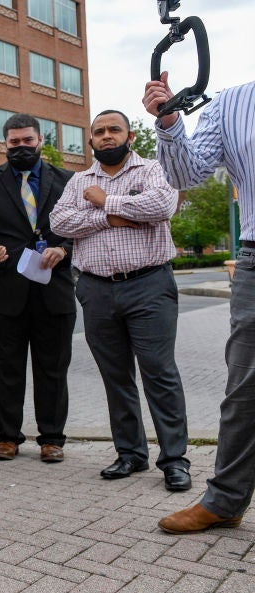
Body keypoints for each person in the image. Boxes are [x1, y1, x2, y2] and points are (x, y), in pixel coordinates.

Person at [50, 109, 190, 491]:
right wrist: (110, 217)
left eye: (114, 129)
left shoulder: (154, 170)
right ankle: (130, 453)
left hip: (149, 286)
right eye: (99, 131)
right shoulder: (79, 180)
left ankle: (175, 460)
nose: (106, 135)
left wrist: (104, 201)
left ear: (130, 137)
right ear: (91, 141)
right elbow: (59, 222)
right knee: (116, 377)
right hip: (96, 289)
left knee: (159, 374)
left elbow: (161, 207)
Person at [144, 72, 255, 533]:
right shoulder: (232, 103)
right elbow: (187, 174)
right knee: (245, 389)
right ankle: (225, 501)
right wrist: (170, 121)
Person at [0, 113, 75, 463]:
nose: (21, 147)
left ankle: (51, 439)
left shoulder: (68, 180)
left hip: (53, 291)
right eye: (14, 142)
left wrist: (64, 248)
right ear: (5, 144)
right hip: (5, 292)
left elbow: (82, 227)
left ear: (41, 141)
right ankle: (8, 436)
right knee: (6, 370)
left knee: (52, 370)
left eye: (28, 141)